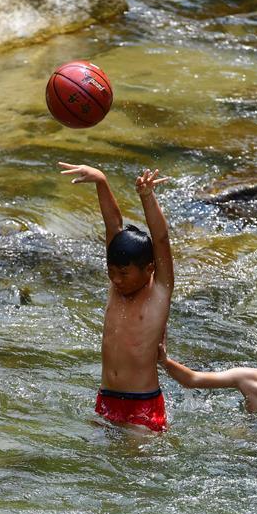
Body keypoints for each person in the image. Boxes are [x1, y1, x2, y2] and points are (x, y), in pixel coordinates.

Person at [58, 162, 173, 432]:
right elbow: (114, 224)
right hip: (107, 399)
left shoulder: (159, 292)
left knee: (133, 468)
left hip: (142, 404)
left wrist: (147, 197)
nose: (116, 280)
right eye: (111, 272)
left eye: (123, 273)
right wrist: (101, 181)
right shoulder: (116, 287)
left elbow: (161, 239)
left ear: (149, 269)